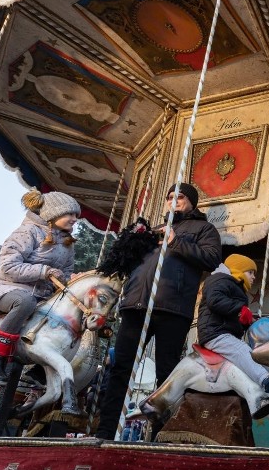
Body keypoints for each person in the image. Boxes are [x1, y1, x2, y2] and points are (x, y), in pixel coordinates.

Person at [94, 183, 222, 440]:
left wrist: (176, 242)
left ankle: (162, 435)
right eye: (170, 197)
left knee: (167, 374)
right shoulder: (152, 232)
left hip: (172, 308)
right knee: (121, 370)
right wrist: (131, 241)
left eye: (181, 197)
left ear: (192, 202)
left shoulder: (203, 229)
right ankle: (106, 431)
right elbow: (124, 263)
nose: (174, 201)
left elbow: (211, 259)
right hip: (136, 306)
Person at [0, 190, 79, 390]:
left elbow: (66, 272)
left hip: (42, 295)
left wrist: (72, 280)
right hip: (7, 289)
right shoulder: (28, 232)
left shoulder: (67, 243)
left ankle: (40, 371)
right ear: (54, 213)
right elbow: (8, 266)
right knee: (25, 301)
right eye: (71, 214)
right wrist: (44, 271)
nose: (75, 219)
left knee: (71, 318)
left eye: (77, 215)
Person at [196, 254, 269, 422]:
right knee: (244, 352)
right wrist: (239, 310)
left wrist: (248, 320)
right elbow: (215, 301)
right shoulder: (219, 280)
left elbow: (234, 317)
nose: (253, 277)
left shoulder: (236, 288)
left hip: (225, 332)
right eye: (250, 272)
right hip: (214, 333)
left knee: (252, 361)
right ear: (238, 270)